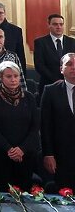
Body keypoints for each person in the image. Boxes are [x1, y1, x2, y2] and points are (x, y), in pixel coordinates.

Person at [0, 61, 39, 191]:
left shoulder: (29, 97)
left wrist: (21, 149)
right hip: (0, 153)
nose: (13, 79)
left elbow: (35, 127)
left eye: (16, 75)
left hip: (25, 154)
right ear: (0, 77)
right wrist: (9, 149)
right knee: (2, 193)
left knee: (24, 193)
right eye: (9, 76)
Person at [41, 52, 75, 190]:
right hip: (62, 155)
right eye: (69, 64)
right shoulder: (50, 91)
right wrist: (48, 154)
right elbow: (45, 125)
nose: (74, 67)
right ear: (61, 69)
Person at [34, 14, 75, 95]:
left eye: (61, 24)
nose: (59, 27)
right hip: (48, 84)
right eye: (55, 24)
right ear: (49, 25)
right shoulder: (40, 42)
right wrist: (56, 80)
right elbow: (39, 65)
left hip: (70, 85)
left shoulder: (72, 42)